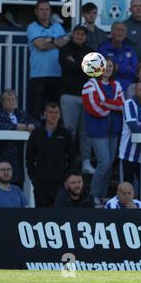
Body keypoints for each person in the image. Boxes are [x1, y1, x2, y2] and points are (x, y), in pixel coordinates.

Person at [82, 58, 124, 206]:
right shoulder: (90, 84)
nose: (108, 68)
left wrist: (105, 103)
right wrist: (109, 107)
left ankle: (103, 195)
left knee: (110, 164)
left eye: (111, 65)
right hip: (97, 130)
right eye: (105, 66)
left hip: (113, 130)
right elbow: (92, 107)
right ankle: (94, 195)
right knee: (104, 163)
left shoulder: (116, 85)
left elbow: (121, 105)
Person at [58, 25, 95, 175]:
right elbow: (68, 66)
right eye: (77, 34)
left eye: (82, 34)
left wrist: (77, 63)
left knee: (85, 132)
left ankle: (86, 162)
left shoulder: (90, 51)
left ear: (86, 37)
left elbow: (93, 70)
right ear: (73, 35)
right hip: (69, 95)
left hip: (86, 96)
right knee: (69, 131)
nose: (80, 36)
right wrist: (83, 65)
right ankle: (67, 161)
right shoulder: (65, 49)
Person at [26, 102, 76, 207]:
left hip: (59, 183)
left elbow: (72, 158)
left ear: (60, 115)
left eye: (56, 112)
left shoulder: (65, 133)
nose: (53, 115)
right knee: (40, 216)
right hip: (40, 183)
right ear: (44, 114)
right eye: (50, 112)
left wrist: (65, 178)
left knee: (60, 216)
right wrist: (34, 178)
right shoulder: (36, 133)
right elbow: (29, 158)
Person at [27, 0, 69, 120]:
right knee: (36, 112)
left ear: (50, 11)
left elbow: (65, 41)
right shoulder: (32, 27)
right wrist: (56, 42)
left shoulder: (58, 26)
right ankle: (34, 138)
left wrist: (49, 40)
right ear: (36, 11)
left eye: (46, 9)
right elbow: (40, 46)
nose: (44, 12)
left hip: (57, 74)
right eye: (41, 9)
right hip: (38, 75)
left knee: (55, 113)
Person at [0, 90, 36, 187]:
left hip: (18, 161)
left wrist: (32, 125)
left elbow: (36, 123)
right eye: (8, 99)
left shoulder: (21, 114)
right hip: (1, 158)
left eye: (13, 99)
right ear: (2, 102)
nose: (11, 101)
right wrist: (15, 127)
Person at [97, 22, 138, 93]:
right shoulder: (102, 50)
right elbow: (98, 70)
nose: (120, 32)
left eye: (122, 30)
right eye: (117, 30)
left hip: (127, 90)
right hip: (107, 89)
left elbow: (134, 71)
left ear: (126, 35)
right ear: (111, 33)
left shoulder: (130, 51)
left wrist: (118, 68)